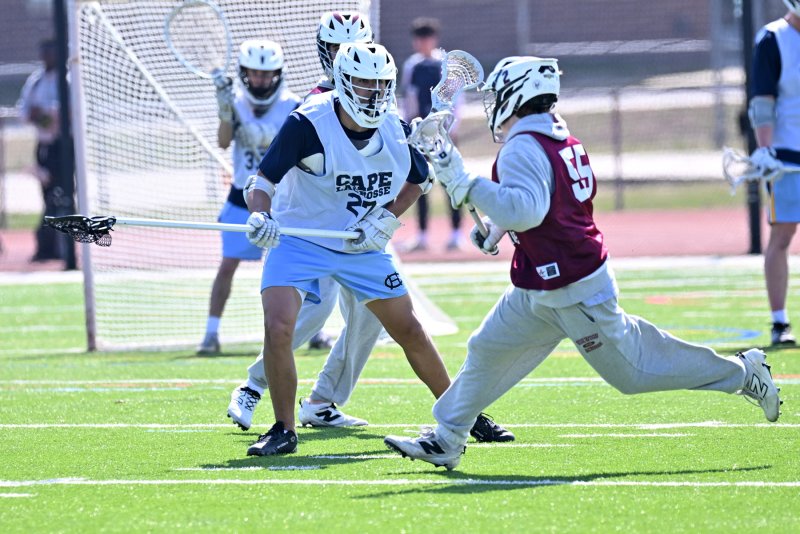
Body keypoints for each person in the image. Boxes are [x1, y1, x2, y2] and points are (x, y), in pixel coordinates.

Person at [384, 56, 783, 470]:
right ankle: (448, 437)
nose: (494, 104)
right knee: (487, 349)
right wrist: (498, 229)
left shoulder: (525, 144)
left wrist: (467, 184)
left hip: (571, 286)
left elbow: (527, 210)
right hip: (540, 282)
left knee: (634, 372)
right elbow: (547, 203)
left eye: (499, 95)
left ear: (517, 95)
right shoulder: (557, 138)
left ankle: (742, 373)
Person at [241, 42, 513, 456]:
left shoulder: (394, 128)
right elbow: (262, 182)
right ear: (345, 82)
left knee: (409, 329)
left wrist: (385, 217)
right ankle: (283, 428)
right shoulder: (307, 124)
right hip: (300, 238)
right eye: (364, 83)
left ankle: (465, 416)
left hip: (359, 243)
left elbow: (420, 180)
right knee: (279, 326)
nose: (373, 92)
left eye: (381, 84)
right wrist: (260, 216)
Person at [196, 40, 302, 355]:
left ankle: (314, 328)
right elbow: (223, 141)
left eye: (266, 74)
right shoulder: (237, 102)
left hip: (282, 202)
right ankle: (211, 333)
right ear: (244, 74)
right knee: (228, 265)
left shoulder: (293, 104)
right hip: (241, 199)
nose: (260, 80)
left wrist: (266, 134)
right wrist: (226, 112)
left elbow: (299, 146)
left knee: (297, 269)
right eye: (254, 73)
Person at [748, 0, 800, 346]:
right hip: (787, 153)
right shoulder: (773, 38)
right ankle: (779, 321)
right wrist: (765, 149)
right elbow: (763, 100)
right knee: (782, 237)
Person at [399, 17, 464, 252]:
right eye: (418, 38)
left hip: (443, 135)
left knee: (450, 183)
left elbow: (456, 101)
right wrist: (410, 129)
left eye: (426, 38)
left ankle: (457, 233)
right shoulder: (411, 66)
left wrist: (449, 130)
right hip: (419, 135)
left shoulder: (444, 65)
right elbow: (409, 99)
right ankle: (422, 235)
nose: (422, 43)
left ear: (434, 39)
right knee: (419, 182)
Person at [17, 39, 64, 263]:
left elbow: (59, 116)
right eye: (44, 52)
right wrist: (39, 116)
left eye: (51, 52)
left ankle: (61, 245)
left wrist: (43, 115)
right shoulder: (36, 81)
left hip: (62, 146)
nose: (47, 57)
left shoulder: (66, 79)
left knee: (61, 195)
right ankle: (47, 245)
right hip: (43, 146)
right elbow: (24, 111)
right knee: (47, 195)